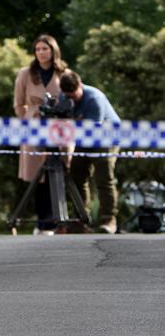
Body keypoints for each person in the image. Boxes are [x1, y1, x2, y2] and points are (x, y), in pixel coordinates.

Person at [13, 34, 68, 235]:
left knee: (57, 174)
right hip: (34, 127)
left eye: (45, 49)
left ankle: (58, 222)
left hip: (58, 128)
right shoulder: (25, 74)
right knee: (37, 178)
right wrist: (28, 120)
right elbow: (18, 104)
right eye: (37, 49)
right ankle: (42, 223)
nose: (41, 53)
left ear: (53, 50)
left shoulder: (64, 73)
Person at [59, 71, 121, 234]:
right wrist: (67, 153)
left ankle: (108, 220)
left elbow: (91, 132)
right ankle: (81, 219)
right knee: (76, 174)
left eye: (74, 95)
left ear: (80, 86)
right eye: (68, 96)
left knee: (103, 177)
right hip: (83, 136)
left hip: (106, 136)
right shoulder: (64, 97)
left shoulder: (94, 99)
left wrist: (71, 145)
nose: (72, 100)